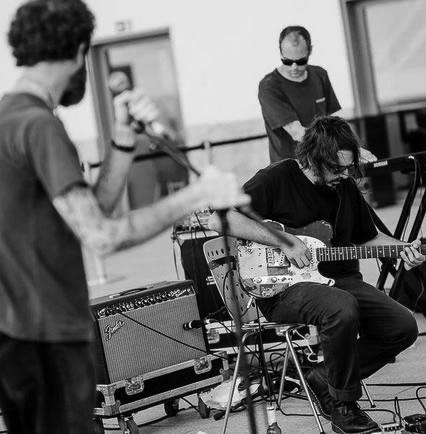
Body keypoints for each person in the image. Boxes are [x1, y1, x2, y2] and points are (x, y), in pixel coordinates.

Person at [0, 1, 250, 434]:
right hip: (47, 338)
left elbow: (89, 211)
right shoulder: (40, 126)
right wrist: (196, 195)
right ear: (79, 50)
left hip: (21, 337)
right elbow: (101, 235)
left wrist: (121, 140)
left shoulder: (12, 116)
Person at [209, 116, 424, 434]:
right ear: (312, 158)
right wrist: (283, 240)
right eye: (336, 168)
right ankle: (343, 407)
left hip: (339, 281)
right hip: (282, 288)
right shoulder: (276, 178)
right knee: (341, 306)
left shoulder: (345, 186)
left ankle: (324, 377)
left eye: (348, 167)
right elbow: (219, 219)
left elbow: (368, 238)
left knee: (402, 326)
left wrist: (404, 249)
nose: (344, 175)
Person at [258, 25, 376, 165]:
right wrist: (350, 149)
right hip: (291, 167)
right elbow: (297, 133)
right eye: (287, 61)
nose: (294, 67)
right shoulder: (269, 86)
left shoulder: (320, 75)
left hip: (325, 163)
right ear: (280, 52)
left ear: (310, 51)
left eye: (301, 61)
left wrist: (354, 148)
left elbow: (336, 123)